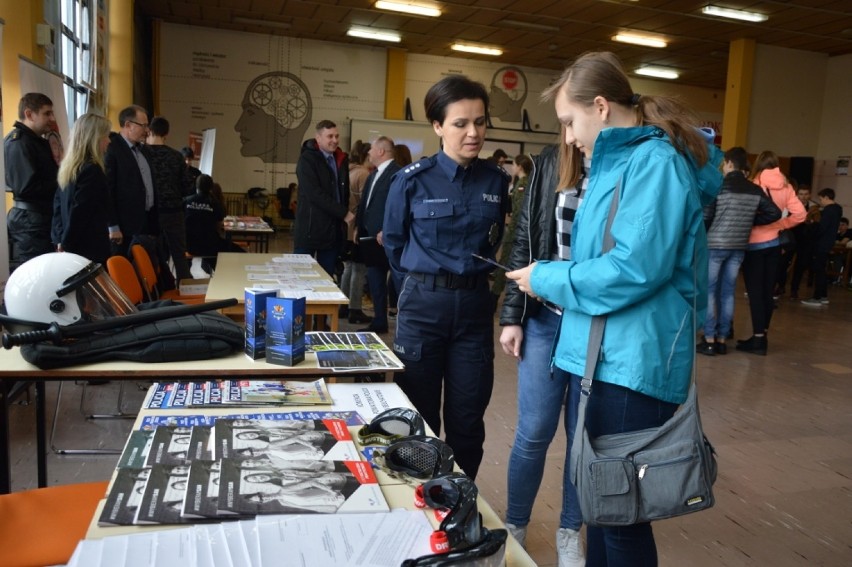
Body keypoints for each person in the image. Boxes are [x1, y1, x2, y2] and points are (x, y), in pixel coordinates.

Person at [506, 51, 723, 566]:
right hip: (604, 358)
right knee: (604, 511)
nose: (567, 137)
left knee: (619, 518)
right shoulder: (617, 164)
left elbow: (634, 268)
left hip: (632, 363)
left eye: (569, 121)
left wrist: (549, 278)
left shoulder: (654, 163)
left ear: (600, 107)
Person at [383, 75, 510, 480]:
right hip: (423, 309)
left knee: (467, 422)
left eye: (480, 122)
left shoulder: (495, 180)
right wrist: (420, 288)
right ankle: (420, 502)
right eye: (460, 123)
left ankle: (460, 498)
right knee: (418, 418)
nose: (473, 133)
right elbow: (395, 244)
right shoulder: (410, 180)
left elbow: (495, 239)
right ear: (438, 126)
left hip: (473, 312)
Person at [498, 137, 588, 566]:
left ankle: (570, 531)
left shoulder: (623, 166)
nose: (568, 131)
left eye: (574, 118)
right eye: (563, 121)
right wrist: (512, 315)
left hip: (595, 327)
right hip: (545, 319)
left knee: (582, 439)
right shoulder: (551, 161)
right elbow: (524, 240)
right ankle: (516, 525)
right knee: (533, 432)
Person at [697, 147, 781, 356]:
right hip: (738, 247)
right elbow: (775, 212)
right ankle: (723, 339)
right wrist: (751, 221)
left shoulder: (719, 186)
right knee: (727, 293)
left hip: (715, 245)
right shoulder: (753, 189)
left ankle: (709, 340)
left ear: (728, 163)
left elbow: (707, 216)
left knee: (709, 292)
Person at [737, 151, 805, 354]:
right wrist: (781, 224)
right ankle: (762, 334)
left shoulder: (754, 183)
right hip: (775, 244)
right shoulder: (786, 185)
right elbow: (800, 214)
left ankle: (758, 341)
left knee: (755, 294)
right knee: (767, 293)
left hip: (754, 244)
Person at [4, 93, 59, 271]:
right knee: (34, 273)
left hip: (40, 218)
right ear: (29, 114)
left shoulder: (35, 141)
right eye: (47, 113)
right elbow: (26, 187)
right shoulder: (18, 143)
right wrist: (61, 182)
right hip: (30, 222)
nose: (52, 118)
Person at [294, 120, 354, 278]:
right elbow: (314, 193)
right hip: (309, 230)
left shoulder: (341, 159)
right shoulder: (307, 160)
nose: (335, 140)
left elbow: (343, 193)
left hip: (332, 233)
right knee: (300, 277)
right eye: (330, 136)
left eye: (336, 136)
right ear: (318, 138)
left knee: (326, 280)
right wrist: (343, 213)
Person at [52, 113, 113, 264]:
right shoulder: (92, 170)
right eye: (106, 136)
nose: (109, 141)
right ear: (95, 138)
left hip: (70, 243)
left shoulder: (68, 168)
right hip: (88, 246)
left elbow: (58, 207)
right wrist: (67, 243)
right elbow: (81, 211)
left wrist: (60, 239)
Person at [356, 136, 401, 334]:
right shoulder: (373, 174)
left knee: (398, 281)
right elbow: (366, 203)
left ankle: (407, 324)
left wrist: (388, 228)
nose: (368, 153)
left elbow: (399, 206)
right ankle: (379, 320)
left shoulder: (398, 174)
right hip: (370, 237)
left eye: (371, 149)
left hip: (389, 238)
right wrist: (359, 225)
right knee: (375, 280)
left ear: (381, 151)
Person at [104, 104, 157, 256]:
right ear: (128, 125)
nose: (147, 130)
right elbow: (108, 190)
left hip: (146, 224)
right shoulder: (112, 149)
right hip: (124, 227)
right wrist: (113, 225)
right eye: (144, 125)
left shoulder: (144, 150)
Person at [146, 116, 193, 281]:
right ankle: (187, 292)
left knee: (152, 253)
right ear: (167, 133)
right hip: (174, 212)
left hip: (150, 214)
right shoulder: (176, 156)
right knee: (179, 255)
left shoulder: (142, 154)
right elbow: (188, 187)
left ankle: (159, 289)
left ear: (149, 130)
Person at [492, 153, 533, 300]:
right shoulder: (524, 182)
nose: (512, 167)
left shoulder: (523, 184)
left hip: (515, 232)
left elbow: (519, 212)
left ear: (520, 167)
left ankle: (494, 296)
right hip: (518, 230)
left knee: (505, 262)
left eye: (514, 165)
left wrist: (512, 231)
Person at [184, 174, 244, 273]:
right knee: (238, 251)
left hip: (189, 245)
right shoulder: (215, 203)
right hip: (210, 245)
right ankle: (225, 274)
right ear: (211, 187)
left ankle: (213, 270)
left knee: (214, 252)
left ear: (197, 186)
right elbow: (219, 226)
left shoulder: (186, 201)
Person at [339, 140, 371, 324]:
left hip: (346, 228)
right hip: (356, 228)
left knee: (348, 268)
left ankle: (343, 305)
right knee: (359, 269)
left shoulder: (348, 171)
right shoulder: (363, 174)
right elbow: (364, 205)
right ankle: (355, 308)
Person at [801, 188, 842, 306]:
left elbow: (822, 228)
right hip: (828, 243)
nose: (820, 201)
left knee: (818, 270)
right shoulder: (838, 209)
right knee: (821, 270)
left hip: (821, 244)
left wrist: (813, 227)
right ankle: (823, 296)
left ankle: (817, 297)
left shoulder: (829, 211)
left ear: (826, 197)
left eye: (821, 199)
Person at [780, 185, 819, 299]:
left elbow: (816, 225)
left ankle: (794, 290)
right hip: (790, 239)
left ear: (810, 195)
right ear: (797, 195)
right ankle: (781, 286)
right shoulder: (790, 206)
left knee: (800, 266)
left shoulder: (814, 208)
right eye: (801, 194)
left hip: (805, 241)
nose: (803, 197)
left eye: (806, 194)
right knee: (783, 263)